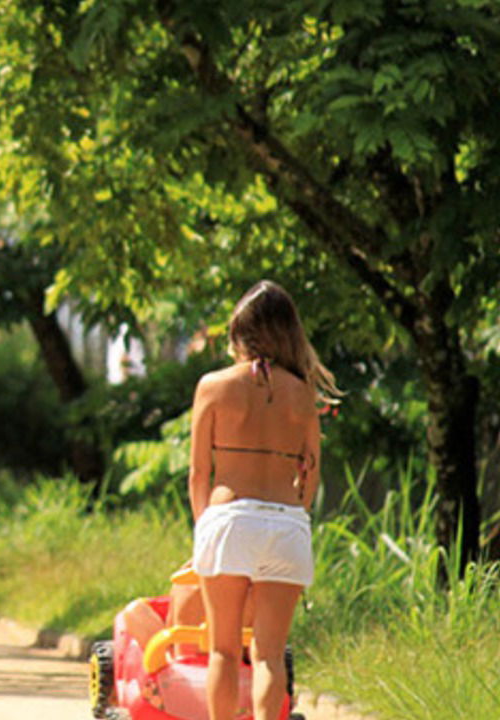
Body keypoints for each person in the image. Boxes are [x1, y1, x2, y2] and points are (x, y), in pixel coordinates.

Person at [188, 280, 340, 720]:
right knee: (270, 655)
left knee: (222, 649)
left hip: (229, 518)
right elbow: (309, 477)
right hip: (286, 524)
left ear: (239, 333)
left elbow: (199, 472)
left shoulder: (212, 386)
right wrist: (294, 517)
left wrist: (204, 532)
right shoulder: (303, 393)